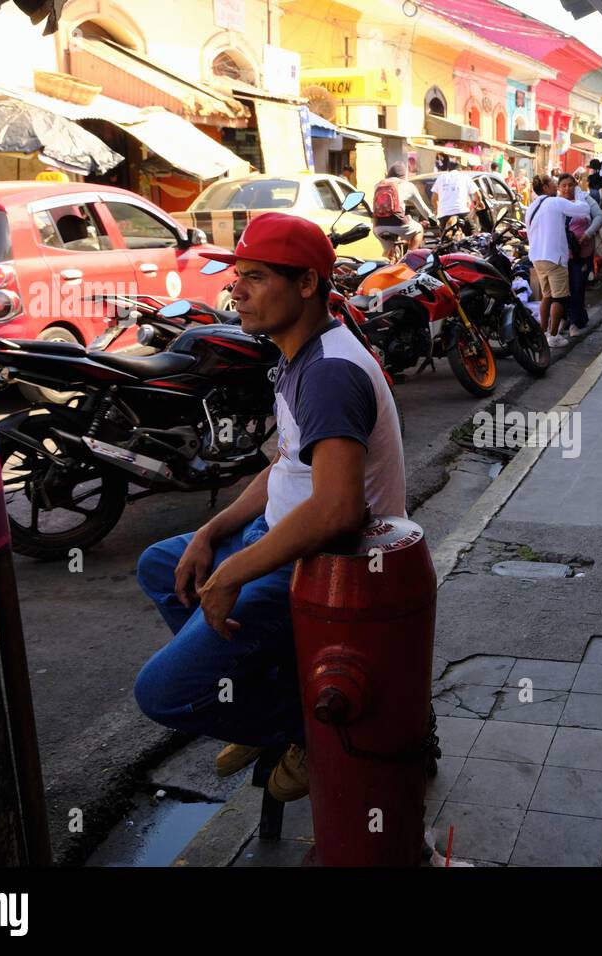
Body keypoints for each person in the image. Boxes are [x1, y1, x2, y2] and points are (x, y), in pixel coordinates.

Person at [133, 213, 406, 801]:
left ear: (307, 284)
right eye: (238, 277)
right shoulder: (296, 355)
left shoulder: (330, 371)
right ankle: (261, 696)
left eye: (255, 277)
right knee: (164, 564)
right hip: (278, 531)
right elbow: (286, 463)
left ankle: (306, 730)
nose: (236, 290)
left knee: (162, 693)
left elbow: (337, 510)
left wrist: (235, 570)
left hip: (324, 563)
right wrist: (212, 531)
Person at [525, 173, 590, 348]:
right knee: (559, 298)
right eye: (553, 183)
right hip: (554, 257)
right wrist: (579, 194)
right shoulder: (555, 202)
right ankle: (553, 336)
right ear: (545, 187)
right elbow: (583, 210)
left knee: (546, 296)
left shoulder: (532, 207)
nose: (557, 186)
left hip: (537, 257)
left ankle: (543, 332)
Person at [559, 172, 602, 336]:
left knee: (577, 286)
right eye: (563, 185)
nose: (567, 188)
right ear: (559, 188)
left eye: (570, 185)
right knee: (563, 289)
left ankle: (575, 322)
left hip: (583, 252)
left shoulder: (584, 199)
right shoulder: (556, 203)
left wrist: (588, 234)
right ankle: (568, 317)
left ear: (575, 186)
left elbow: (599, 217)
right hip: (562, 254)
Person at [371, 161, 434, 260]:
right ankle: (409, 258)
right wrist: (433, 219)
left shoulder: (378, 185)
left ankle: (387, 262)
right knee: (419, 230)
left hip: (378, 227)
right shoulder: (408, 185)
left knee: (388, 255)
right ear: (404, 175)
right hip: (398, 224)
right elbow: (423, 209)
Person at [432, 162, 477, 238]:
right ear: (460, 169)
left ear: (448, 169)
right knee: (472, 235)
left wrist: (437, 210)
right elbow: (477, 194)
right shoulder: (464, 176)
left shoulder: (441, 177)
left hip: (444, 213)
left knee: (444, 239)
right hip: (462, 211)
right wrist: (479, 203)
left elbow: (434, 199)